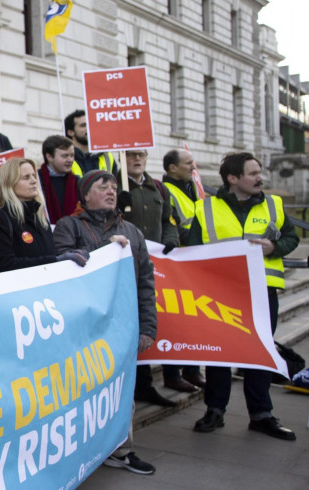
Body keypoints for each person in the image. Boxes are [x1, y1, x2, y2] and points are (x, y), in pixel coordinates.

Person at [187, 152, 298, 441]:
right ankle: (215, 410)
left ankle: (261, 415)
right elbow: (191, 249)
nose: (260, 177)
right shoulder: (205, 208)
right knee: (219, 354)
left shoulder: (274, 204)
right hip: (221, 294)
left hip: (262, 291)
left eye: (259, 171)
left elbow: (291, 237)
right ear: (233, 178)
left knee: (260, 352)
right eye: (253, 173)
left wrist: (274, 247)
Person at [54, 170, 157, 476]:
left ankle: (121, 449)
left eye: (114, 186)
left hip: (121, 325)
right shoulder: (68, 226)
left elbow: (145, 281)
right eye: (103, 187)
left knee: (121, 389)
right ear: (85, 195)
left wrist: (148, 326)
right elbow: (61, 265)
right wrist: (106, 252)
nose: (112, 191)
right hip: (83, 329)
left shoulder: (133, 231)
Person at [119, 150, 182, 408]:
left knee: (151, 318)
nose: (137, 159)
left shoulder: (158, 188)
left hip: (155, 266)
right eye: (132, 155)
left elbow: (169, 220)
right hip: (128, 267)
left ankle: (150, 383)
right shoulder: (116, 185)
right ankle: (138, 384)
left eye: (141, 155)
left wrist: (171, 238)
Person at [0, 157, 87, 273]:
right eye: (26, 177)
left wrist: (69, 255)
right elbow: (4, 265)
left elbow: (48, 255)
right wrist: (55, 260)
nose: (34, 181)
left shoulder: (40, 218)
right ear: (9, 183)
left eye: (34, 176)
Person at [159, 148, 207, 391]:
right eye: (188, 163)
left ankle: (192, 370)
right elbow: (174, 226)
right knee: (177, 319)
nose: (193, 167)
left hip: (194, 260)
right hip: (179, 260)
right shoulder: (167, 190)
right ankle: (173, 373)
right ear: (172, 168)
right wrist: (202, 239)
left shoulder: (192, 188)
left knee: (194, 319)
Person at [38, 134, 80, 223]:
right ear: (49, 157)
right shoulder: (36, 179)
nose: (70, 160)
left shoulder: (78, 182)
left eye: (72, 155)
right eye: (65, 156)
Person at [63, 109, 117, 177]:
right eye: (83, 125)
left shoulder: (107, 156)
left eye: (90, 124)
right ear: (70, 132)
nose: (88, 128)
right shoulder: (64, 158)